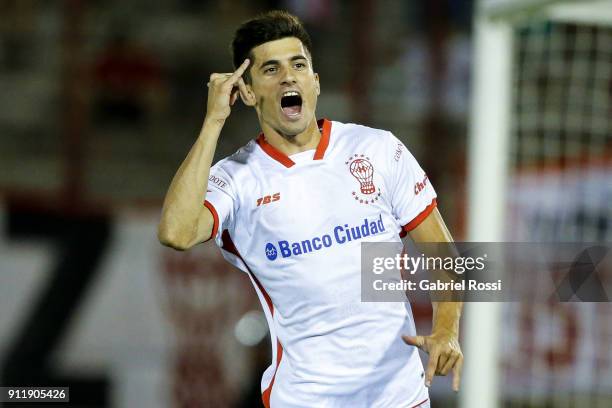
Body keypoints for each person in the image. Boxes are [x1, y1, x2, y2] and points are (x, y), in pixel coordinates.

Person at [158, 10, 462, 408]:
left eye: (298, 65)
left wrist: (446, 329)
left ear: (315, 82)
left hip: (399, 397)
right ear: (247, 92)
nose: (288, 77)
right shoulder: (236, 179)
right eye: (271, 69)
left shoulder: (377, 150)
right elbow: (176, 233)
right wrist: (213, 121)